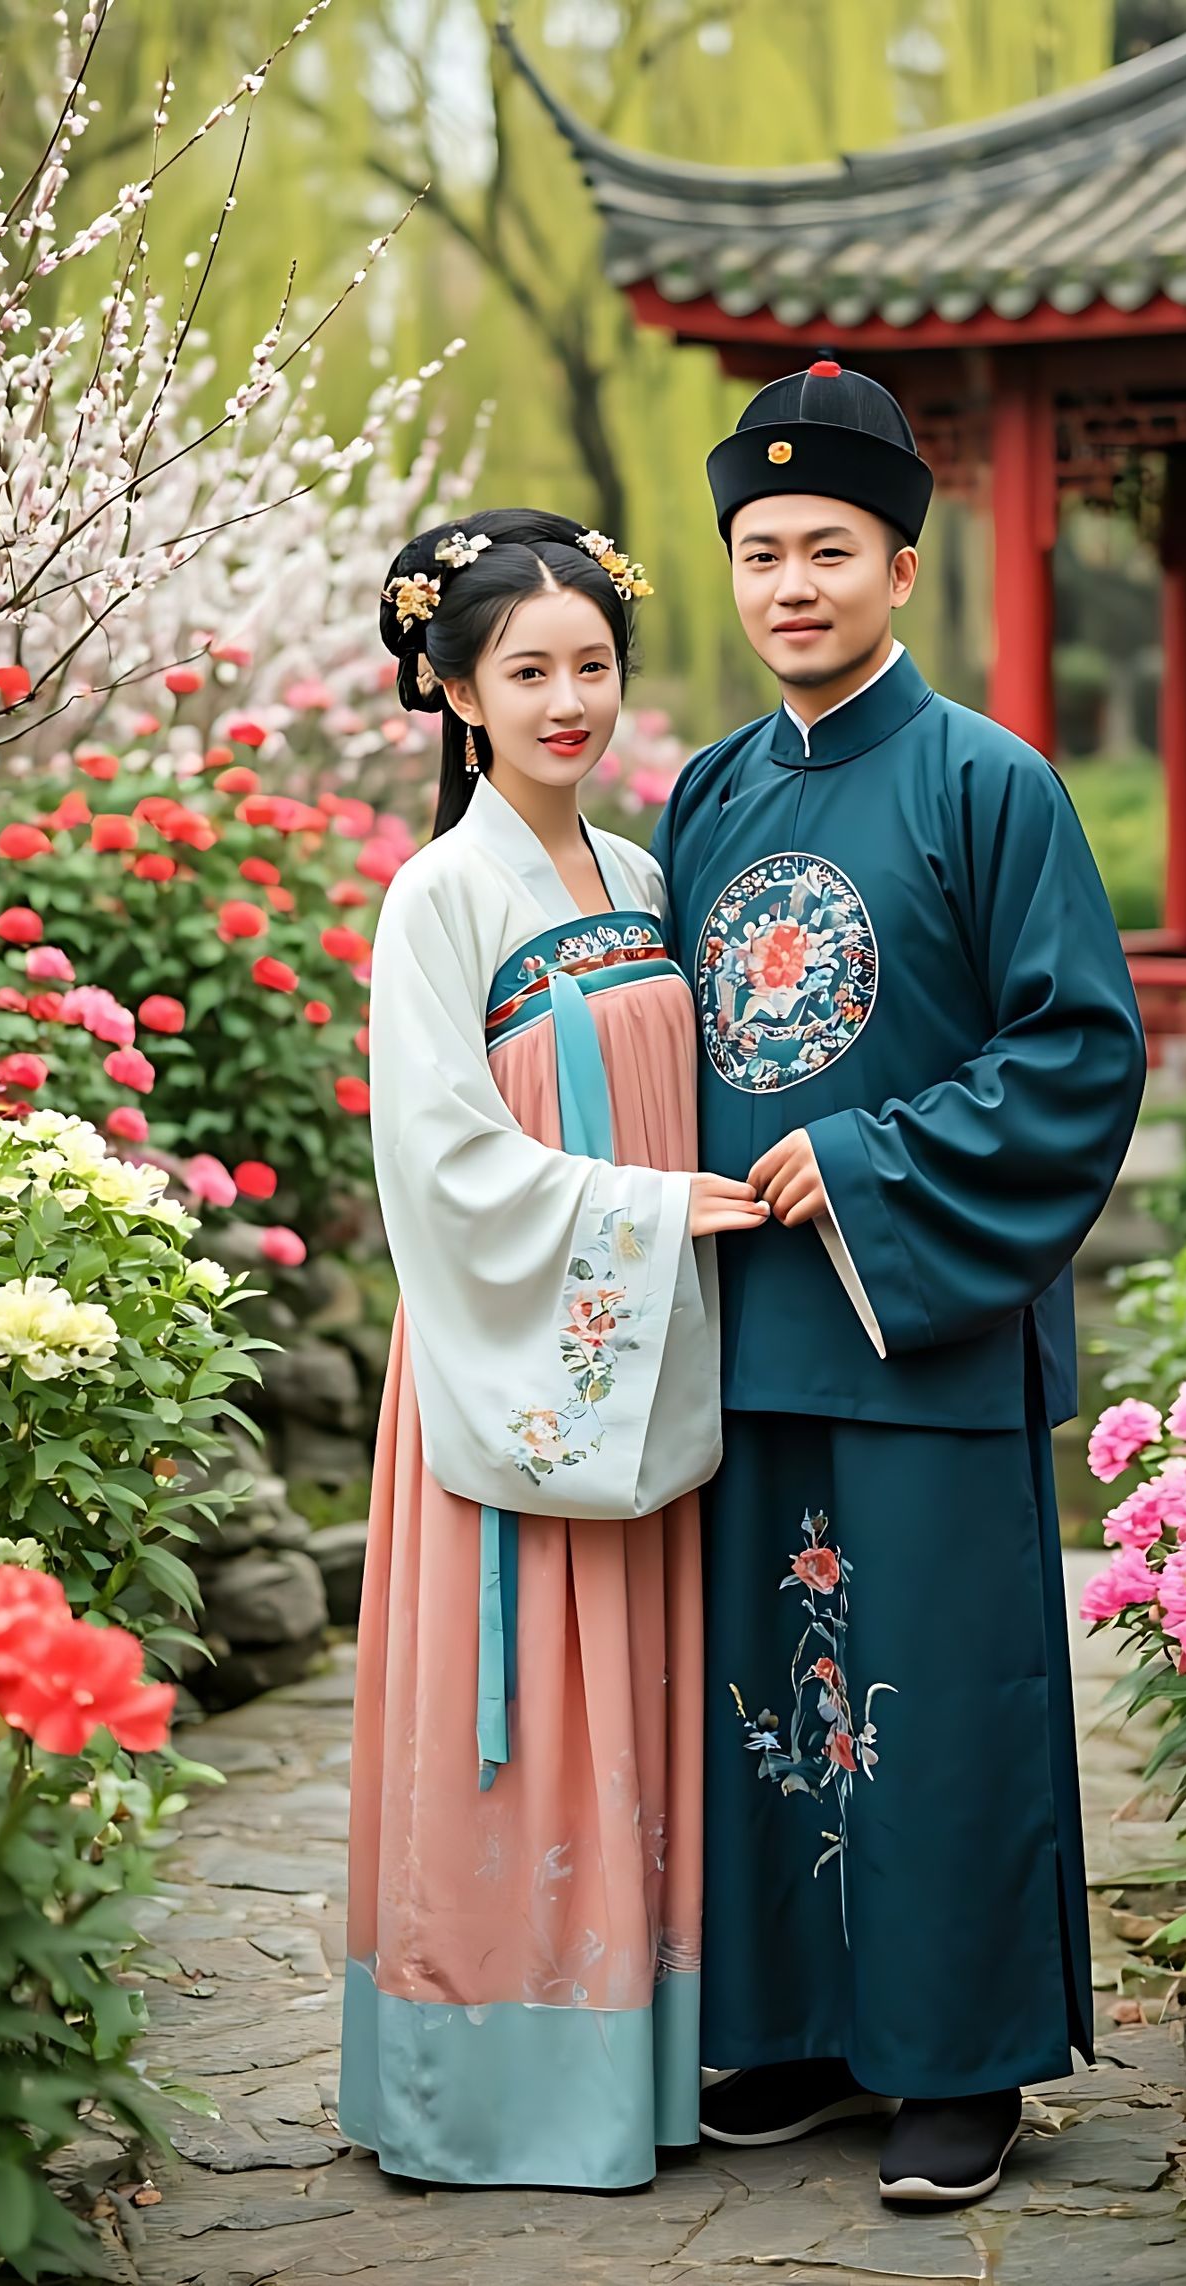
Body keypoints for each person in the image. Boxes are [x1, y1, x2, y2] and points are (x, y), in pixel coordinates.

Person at [651, 364, 1148, 2205]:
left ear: (903, 569)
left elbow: (1078, 1051)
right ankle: (791, 2029)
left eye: (829, 551)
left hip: (915, 1318)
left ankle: (958, 2061)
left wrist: (863, 1162)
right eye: (761, 553)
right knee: (766, 1697)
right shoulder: (707, 794)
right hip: (747, 1336)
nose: (791, 584)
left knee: (939, 1697)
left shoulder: (988, 781)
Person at [340, 508, 767, 2192]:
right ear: (457, 691)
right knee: (518, 1718)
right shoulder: (439, 896)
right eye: (527, 671)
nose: (568, 700)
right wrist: (647, 1213)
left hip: (640, 1364)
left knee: (634, 1705)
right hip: (511, 1358)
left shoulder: (645, 879)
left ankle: (638, 2069)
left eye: (593, 664)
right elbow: (441, 1160)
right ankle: (492, 2089)